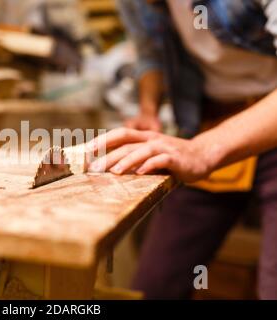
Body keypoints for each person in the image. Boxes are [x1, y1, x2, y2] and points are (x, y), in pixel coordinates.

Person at [87, 0, 277, 299]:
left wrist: (203, 151)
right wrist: (149, 109)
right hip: (209, 123)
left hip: (265, 122)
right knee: (156, 285)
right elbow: (152, 55)